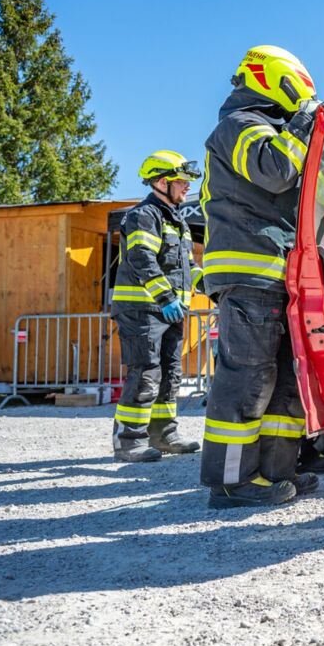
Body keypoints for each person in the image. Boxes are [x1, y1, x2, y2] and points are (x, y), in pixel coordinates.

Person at [198, 45, 324, 508]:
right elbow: (276, 171)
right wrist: (304, 123)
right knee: (247, 378)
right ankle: (231, 482)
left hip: (278, 275)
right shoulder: (238, 125)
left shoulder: (277, 132)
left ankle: (277, 469)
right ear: (275, 80)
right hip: (249, 271)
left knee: (284, 379)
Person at [109, 151, 203, 462]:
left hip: (170, 311)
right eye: (182, 181)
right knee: (146, 372)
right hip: (143, 310)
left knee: (170, 374)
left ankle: (163, 434)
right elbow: (142, 259)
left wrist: (214, 288)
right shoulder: (143, 215)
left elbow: (187, 267)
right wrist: (165, 297)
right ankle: (129, 441)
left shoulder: (177, 220)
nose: (187, 186)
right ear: (162, 182)